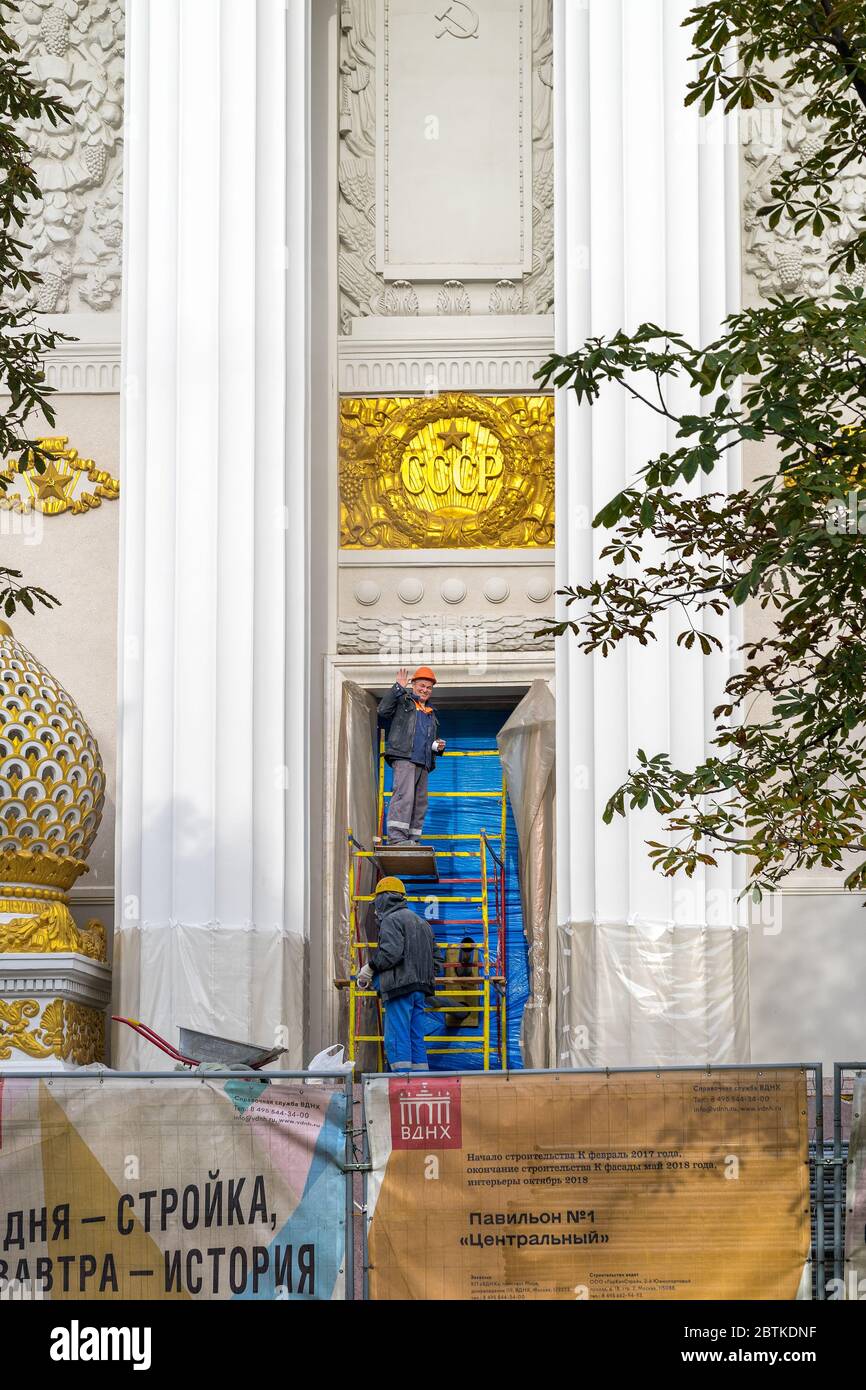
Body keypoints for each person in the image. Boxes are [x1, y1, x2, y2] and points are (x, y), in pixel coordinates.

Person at [357, 877, 436, 1071]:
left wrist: (370, 968)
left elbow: (390, 953)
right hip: (420, 989)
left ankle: (401, 1083)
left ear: (384, 899)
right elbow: (436, 959)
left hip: (399, 988)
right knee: (415, 1037)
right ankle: (419, 1084)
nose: (375, 909)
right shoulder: (422, 923)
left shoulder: (391, 920)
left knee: (397, 1036)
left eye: (376, 903)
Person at [377, 666, 446, 844]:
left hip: (423, 762)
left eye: (429, 687)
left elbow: (424, 738)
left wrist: (437, 746)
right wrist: (398, 688)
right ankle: (397, 838)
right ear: (413, 685)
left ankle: (413, 838)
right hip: (404, 757)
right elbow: (383, 710)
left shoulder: (431, 713)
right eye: (421, 685)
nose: (425, 690)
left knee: (420, 802)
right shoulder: (404, 702)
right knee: (403, 797)